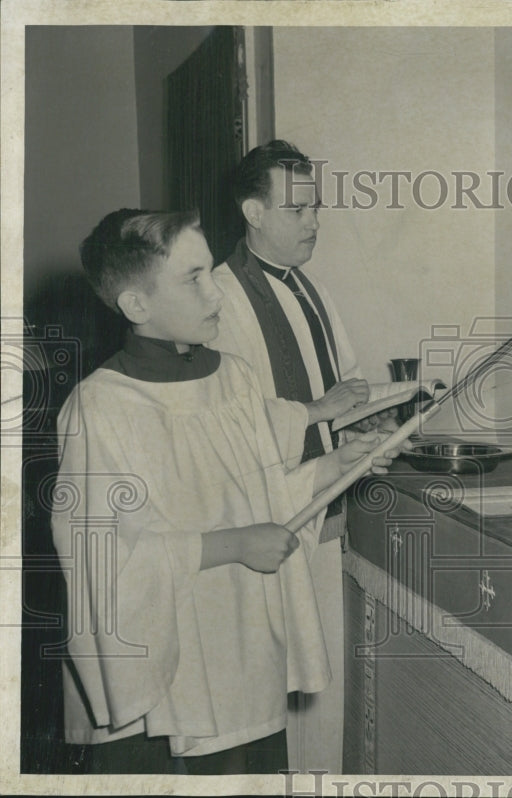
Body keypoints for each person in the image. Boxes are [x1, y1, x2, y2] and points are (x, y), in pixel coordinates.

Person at [51, 209, 402, 774]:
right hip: (164, 694)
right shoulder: (101, 407)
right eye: (193, 279)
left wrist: (337, 465)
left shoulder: (234, 377)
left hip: (244, 656)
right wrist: (235, 546)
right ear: (137, 306)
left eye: (212, 271)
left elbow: (261, 501)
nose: (216, 293)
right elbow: (104, 566)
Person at [210, 140, 385, 773]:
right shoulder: (222, 298)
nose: (314, 223)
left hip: (325, 513)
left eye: (316, 208)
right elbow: (223, 423)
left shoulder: (312, 290)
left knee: (321, 682)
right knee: (273, 686)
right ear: (253, 212)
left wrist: (377, 416)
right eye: (298, 210)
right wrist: (323, 410)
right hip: (268, 520)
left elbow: (345, 388)